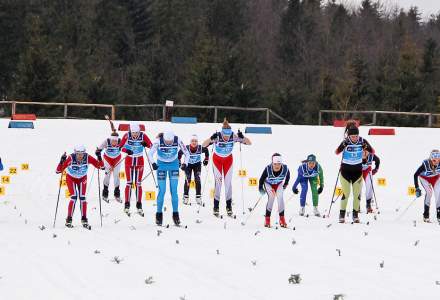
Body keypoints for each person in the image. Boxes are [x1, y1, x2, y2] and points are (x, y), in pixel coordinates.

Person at [202, 118, 252, 217]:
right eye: (225, 135)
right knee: (219, 182)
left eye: (228, 136)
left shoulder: (233, 136)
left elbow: (249, 143)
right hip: (217, 160)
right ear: (222, 133)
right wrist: (211, 138)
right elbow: (203, 145)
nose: (226, 137)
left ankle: (229, 206)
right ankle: (216, 207)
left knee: (228, 183)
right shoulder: (217, 136)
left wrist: (243, 137)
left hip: (228, 161)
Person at [56, 145, 103, 228]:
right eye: (78, 154)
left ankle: (84, 218)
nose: (80, 156)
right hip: (71, 178)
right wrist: (61, 161)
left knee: (82, 198)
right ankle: (69, 219)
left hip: (82, 178)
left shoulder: (88, 157)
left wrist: (99, 157)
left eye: (82, 154)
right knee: (74, 197)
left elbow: (100, 166)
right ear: (75, 153)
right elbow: (58, 171)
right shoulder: (70, 158)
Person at [148, 131, 189, 226]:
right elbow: (150, 154)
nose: (169, 143)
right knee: (162, 190)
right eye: (167, 141)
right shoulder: (158, 141)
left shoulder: (177, 139)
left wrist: (185, 164)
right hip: (161, 165)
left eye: (170, 141)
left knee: (174, 190)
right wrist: (153, 163)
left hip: (174, 165)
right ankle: (159, 214)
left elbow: (187, 153)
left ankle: (176, 214)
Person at [335, 125, 374, 223]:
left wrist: (366, 147)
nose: (355, 138)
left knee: (357, 195)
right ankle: (342, 214)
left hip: (357, 172)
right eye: (353, 136)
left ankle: (355, 215)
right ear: (349, 136)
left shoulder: (362, 141)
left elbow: (373, 151)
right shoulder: (346, 141)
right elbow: (336, 152)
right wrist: (343, 145)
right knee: (346, 193)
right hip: (345, 172)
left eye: (356, 136)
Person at [118, 123, 152, 216]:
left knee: (138, 183)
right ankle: (127, 204)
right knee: (129, 183)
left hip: (140, 161)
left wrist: (146, 144)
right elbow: (119, 147)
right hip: (129, 161)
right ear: (130, 132)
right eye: (134, 133)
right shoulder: (126, 135)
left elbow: (151, 146)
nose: (135, 135)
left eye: (137, 133)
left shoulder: (143, 135)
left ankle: (139, 204)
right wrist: (126, 150)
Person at [258, 153, 290, 228]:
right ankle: (267, 219)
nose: (277, 166)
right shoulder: (268, 169)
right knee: (272, 197)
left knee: (280, 197)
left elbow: (288, 176)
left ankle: (282, 219)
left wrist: (285, 184)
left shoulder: (285, 168)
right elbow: (261, 179)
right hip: (268, 184)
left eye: (279, 164)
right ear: (272, 163)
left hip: (278, 184)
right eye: (275, 164)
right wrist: (260, 188)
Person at [179, 135, 209, 206]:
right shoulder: (186, 148)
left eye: (195, 141)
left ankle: (198, 197)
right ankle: (185, 196)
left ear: (197, 142)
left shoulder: (200, 148)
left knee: (197, 179)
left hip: (197, 165)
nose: (194, 142)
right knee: (187, 180)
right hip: (188, 165)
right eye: (192, 141)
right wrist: (179, 163)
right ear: (190, 142)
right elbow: (179, 154)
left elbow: (206, 151)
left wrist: (206, 159)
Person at [414, 149, 440, 223]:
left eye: (438, 158)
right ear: (431, 159)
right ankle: (426, 215)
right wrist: (417, 188)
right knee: (429, 193)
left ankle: (439, 215)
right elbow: (415, 175)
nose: (437, 161)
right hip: (425, 178)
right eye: (435, 159)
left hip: (435, 179)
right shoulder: (425, 164)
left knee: (438, 194)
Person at [96, 132, 122, 202]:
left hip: (117, 159)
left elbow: (127, 147)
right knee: (107, 175)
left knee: (116, 176)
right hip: (107, 159)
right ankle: (105, 193)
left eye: (116, 141)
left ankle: (117, 194)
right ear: (111, 140)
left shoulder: (120, 141)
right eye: (113, 141)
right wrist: (98, 153)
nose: (115, 142)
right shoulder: (106, 141)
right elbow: (98, 149)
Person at [362, 149, 380, 213]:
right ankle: (357, 206)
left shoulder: (371, 155)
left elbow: (377, 160)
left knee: (369, 187)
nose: (364, 153)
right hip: (358, 171)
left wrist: (376, 169)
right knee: (358, 188)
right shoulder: (357, 154)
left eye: (366, 151)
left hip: (367, 171)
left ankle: (368, 204)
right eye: (363, 151)